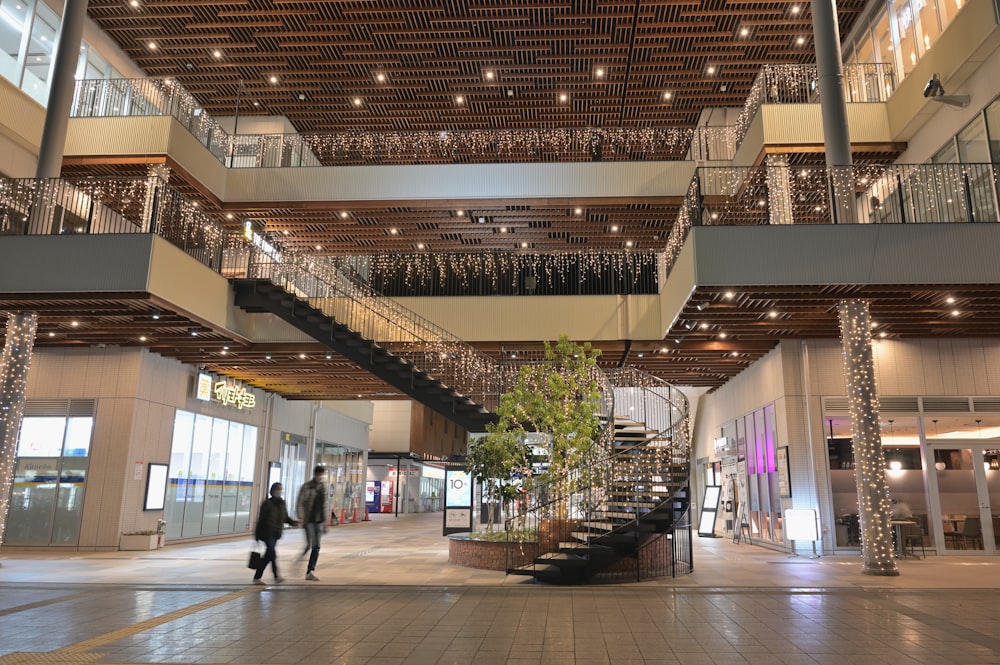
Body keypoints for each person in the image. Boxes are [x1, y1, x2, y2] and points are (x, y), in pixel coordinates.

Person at [252, 482, 298, 585]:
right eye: (278, 489)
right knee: (272, 554)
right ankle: (276, 576)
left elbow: (285, 517)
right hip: (267, 532)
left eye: (280, 489)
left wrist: (293, 522)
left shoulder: (282, 503)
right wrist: (257, 535)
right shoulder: (267, 503)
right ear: (272, 491)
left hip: (276, 533)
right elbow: (261, 520)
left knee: (268, 556)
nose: (279, 491)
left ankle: (257, 577)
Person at [296, 466, 330, 581]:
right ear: (315, 474)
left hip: (319, 521)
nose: (320, 477)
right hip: (309, 520)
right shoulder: (307, 486)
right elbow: (300, 502)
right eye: (319, 474)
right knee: (313, 545)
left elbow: (325, 504)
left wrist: (326, 521)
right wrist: (301, 517)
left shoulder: (323, 487)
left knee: (316, 547)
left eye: (322, 474)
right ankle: (308, 569)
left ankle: (310, 570)